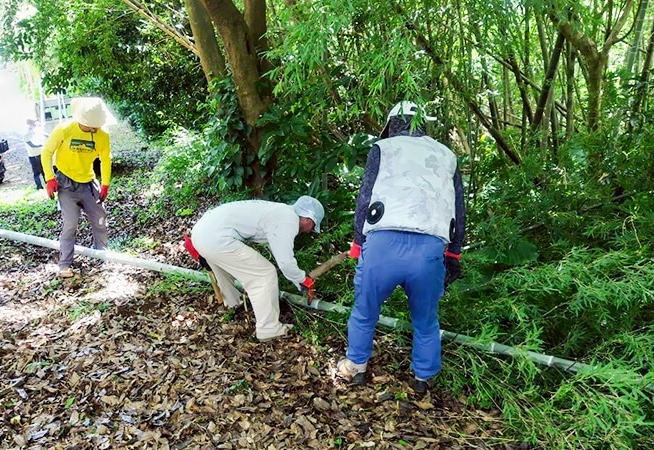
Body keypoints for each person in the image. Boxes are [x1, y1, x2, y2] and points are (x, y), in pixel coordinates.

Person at [336, 101, 465, 394]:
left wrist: (358, 242)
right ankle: (423, 378)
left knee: (365, 310)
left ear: (393, 124)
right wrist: (454, 252)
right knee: (426, 319)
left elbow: (365, 197)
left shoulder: (382, 148)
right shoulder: (447, 155)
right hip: (429, 249)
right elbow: (458, 206)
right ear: (422, 122)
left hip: (382, 244)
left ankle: (356, 367)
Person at [190, 196, 325, 341]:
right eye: (313, 227)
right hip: (216, 238)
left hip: (201, 233)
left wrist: (298, 281)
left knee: (225, 266)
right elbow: (285, 263)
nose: (309, 231)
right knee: (264, 273)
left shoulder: (279, 211)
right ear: (308, 220)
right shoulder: (288, 220)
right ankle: (269, 328)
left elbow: (279, 250)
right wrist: (303, 280)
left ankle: (233, 302)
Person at [42, 97, 112, 278]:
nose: (94, 129)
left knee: (100, 220)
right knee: (71, 224)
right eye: (91, 126)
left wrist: (105, 183)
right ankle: (64, 264)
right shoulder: (65, 129)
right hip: (66, 184)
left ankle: (101, 256)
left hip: (88, 184)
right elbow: (47, 152)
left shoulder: (102, 135)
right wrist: (50, 178)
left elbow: (105, 159)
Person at [25, 119, 46, 189]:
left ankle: (47, 184)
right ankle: (39, 186)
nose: (34, 125)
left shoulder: (34, 131)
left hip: (39, 154)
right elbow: (31, 145)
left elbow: (43, 135)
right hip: (33, 155)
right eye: (33, 124)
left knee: (44, 170)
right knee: (36, 172)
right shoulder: (26, 134)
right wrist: (42, 145)